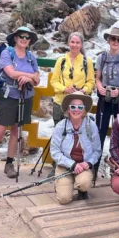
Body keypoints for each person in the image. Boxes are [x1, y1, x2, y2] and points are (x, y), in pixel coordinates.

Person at [0, 27, 39, 181]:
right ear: (15, 38)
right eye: (21, 36)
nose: (24, 39)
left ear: (30, 40)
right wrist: (30, 75)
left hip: (25, 96)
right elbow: (11, 73)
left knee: (16, 132)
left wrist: (29, 79)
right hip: (8, 96)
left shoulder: (31, 57)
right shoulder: (7, 53)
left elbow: (38, 80)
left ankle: (9, 164)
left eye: (27, 37)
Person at [50, 32, 95, 176]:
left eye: (77, 42)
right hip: (61, 102)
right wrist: (64, 89)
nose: (74, 45)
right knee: (60, 133)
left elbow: (91, 82)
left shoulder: (86, 62)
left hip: (78, 104)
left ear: (81, 45)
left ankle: (78, 165)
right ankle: (57, 166)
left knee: (79, 134)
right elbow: (54, 81)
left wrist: (83, 90)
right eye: (72, 42)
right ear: (68, 43)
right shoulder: (61, 61)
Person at [50, 92, 101, 204]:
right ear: (68, 109)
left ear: (84, 110)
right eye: (73, 106)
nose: (76, 109)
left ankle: (82, 189)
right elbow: (54, 152)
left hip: (83, 166)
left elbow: (97, 151)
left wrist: (88, 163)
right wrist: (72, 164)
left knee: (84, 183)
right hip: (65, 167)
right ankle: (62, 184)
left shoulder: (91, 126)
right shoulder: (60, 126)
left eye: (80, 107)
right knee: (64, 199)